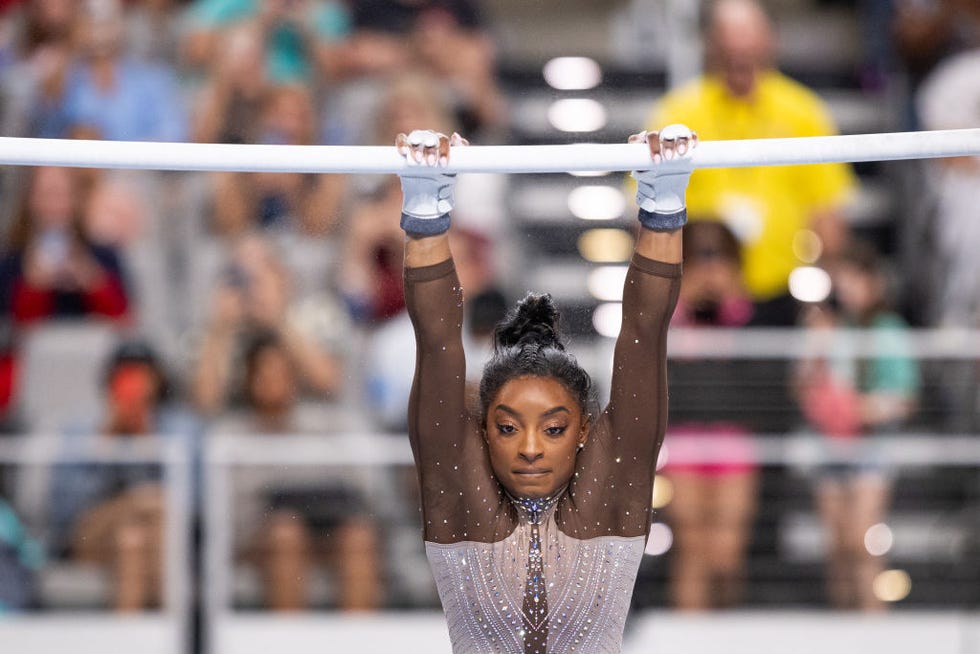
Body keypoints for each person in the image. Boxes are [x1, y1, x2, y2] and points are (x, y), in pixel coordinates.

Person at [397, 124, 692, 651]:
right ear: (482, 430)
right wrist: (425, 209)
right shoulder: (459, 497)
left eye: (553, 428)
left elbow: (645, 335)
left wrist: (663, 201)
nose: (530, 447)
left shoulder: (612, 493)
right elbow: (437, 344)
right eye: (508, 428)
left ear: (585, 430)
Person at [647, 0, 857, 306]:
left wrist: (825, 298)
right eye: (730, 51)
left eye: (749, 50)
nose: (740, 61)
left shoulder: (804, 112)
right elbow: (648, 211)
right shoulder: (677, 113)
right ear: (712, 47)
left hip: (785, 290)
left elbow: (828, 213)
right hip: (695, 296)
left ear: (769, 45)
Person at [212, 331, 382, 611]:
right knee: (286, 533)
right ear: (248, 379)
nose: (273, 381)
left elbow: (360, 486)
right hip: (260, 537)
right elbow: (231, 514)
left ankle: (359, 637)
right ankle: (288, 637)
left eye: (281, 372)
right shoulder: (230, 434)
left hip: (326, 528)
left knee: (358, 535)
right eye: (264, 373)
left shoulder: (326, 424)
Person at [794, 240, 920, 611]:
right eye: (841, 279)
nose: (847, 288)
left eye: (854, 279)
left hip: (870, 447)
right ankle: (844, 629)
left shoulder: (888, 329)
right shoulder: (825, 327)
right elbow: (802, 389)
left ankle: (871, 628)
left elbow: (905, 396)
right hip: (828, 446)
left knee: (862, 541)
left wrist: (860, 410)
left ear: (873, 282)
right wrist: (816, 347)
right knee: (837, 546)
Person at [48, 339, 196, 611]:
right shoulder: (80, 427)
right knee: (153, 502)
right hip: (91, 535)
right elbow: (63, 510)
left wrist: (149, 443)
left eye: (143, 375)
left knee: (133, 542)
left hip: (155, 536)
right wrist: (104, 444)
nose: (134, 384)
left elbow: (194, 504)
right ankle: (178, 631)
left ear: (158, 380)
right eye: (125, 374)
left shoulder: (180, 427)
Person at [660, 221, 761, 610]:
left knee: (726, 552)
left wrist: (729, 294)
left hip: (733, 440)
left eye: (716, 255)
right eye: (698, 257)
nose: (708, 267)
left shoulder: (747, 312)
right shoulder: (671, 311)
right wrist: (685, 297)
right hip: (684, 439)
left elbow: (756, 363)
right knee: (692, 547)